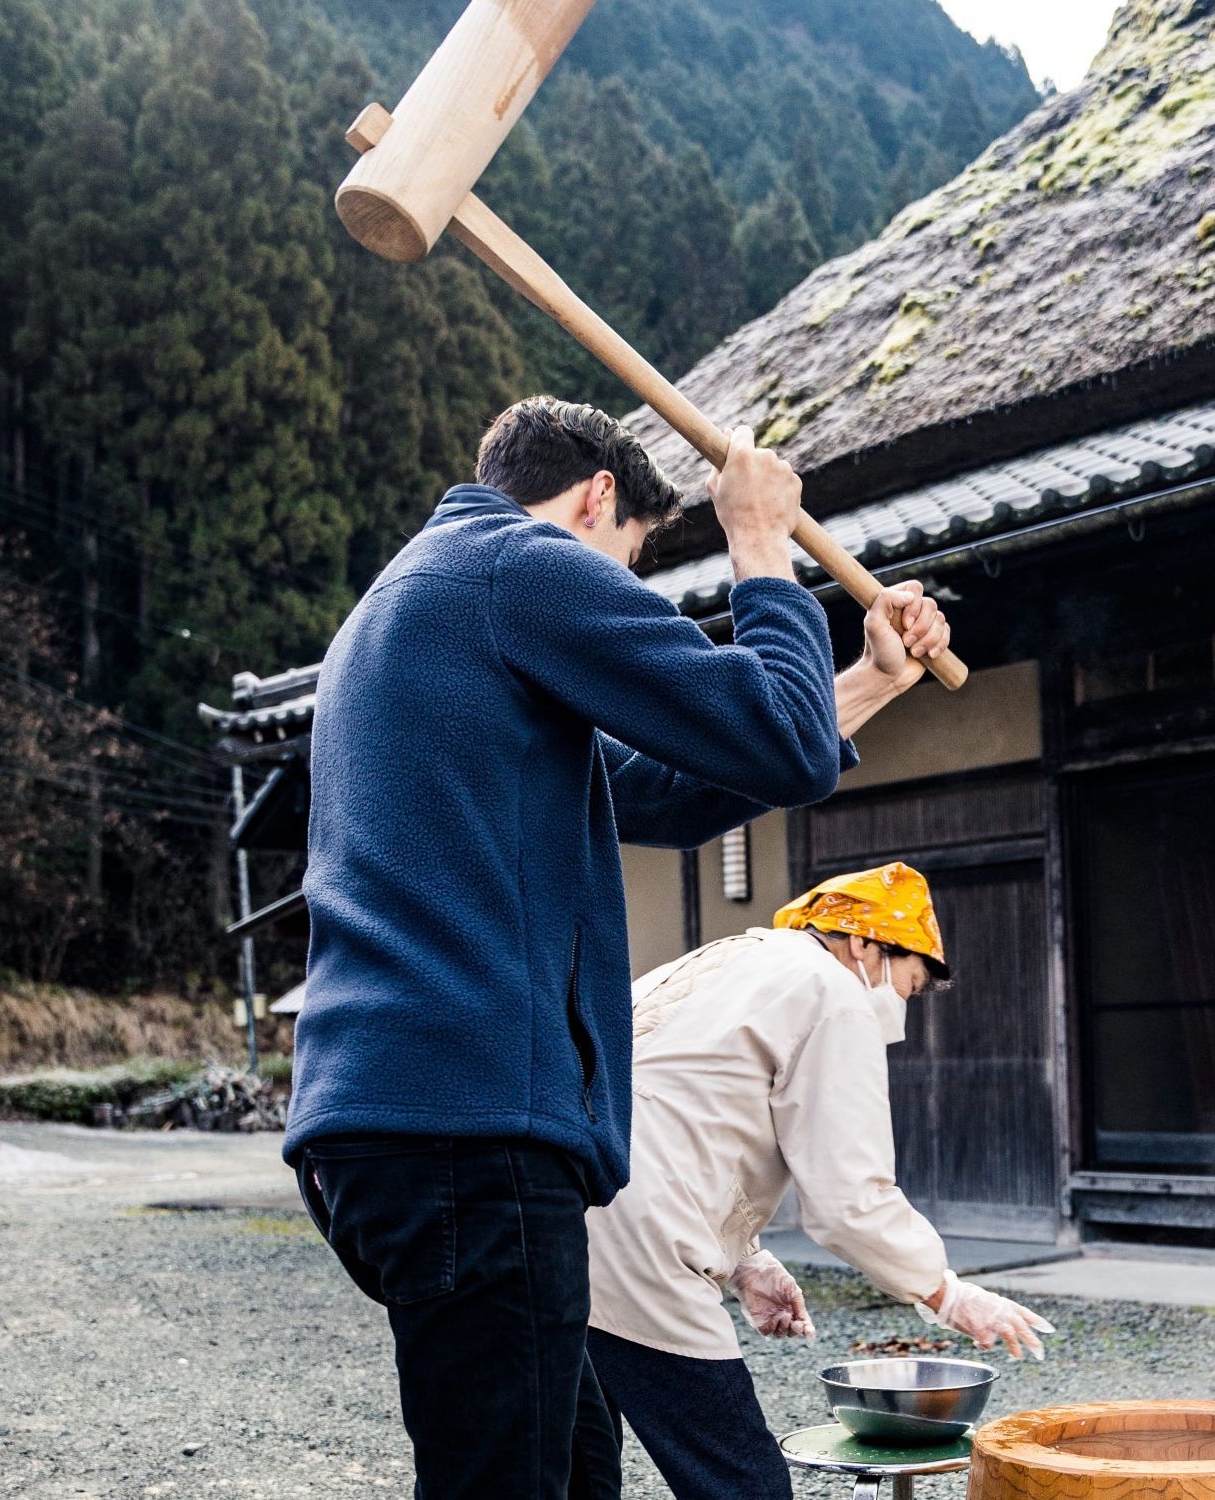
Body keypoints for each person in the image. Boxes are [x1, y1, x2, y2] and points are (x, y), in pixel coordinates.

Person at [285, 396, 951, 1500]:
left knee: (569, 1470)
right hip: (471, 1127)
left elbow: (683, 788)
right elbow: (774, 743)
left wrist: (875, 677)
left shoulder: (415, 601)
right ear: (597, 496)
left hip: (390, 1125)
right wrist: (756, 541)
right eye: (631, 561)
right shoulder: (524, 567)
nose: (623, 589)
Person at [582, 862, 1056, 1500]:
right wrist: (944, 1292)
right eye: (908, 987)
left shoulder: (725, 958)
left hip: (561, 1211)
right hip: (644, 1244)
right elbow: (849, 1199)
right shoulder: (831, 991)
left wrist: (746, 1259)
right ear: (864, 944)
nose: (901, 1014)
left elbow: (679, 1108)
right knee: (736, 1473)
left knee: (568, 1462)